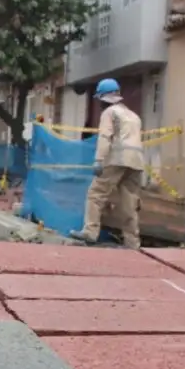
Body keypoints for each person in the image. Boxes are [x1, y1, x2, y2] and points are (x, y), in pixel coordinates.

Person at [70, 78, 144, 248]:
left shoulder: (110, 113)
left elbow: (105, 137)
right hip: (136, 161)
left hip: (117, 159)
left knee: (96, 194)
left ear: (104, 98)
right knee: (129, 202)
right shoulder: (133, 115)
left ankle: (90, 231)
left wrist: (98, 160)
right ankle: (132, 241)